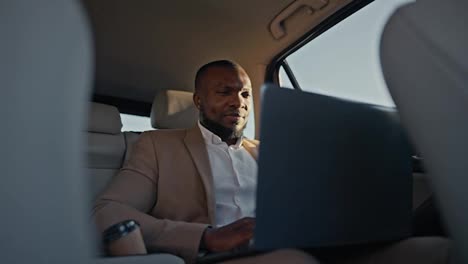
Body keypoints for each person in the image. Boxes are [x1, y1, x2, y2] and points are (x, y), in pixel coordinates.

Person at [93, 60, 450, 264]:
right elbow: (108, 211)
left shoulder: (270, 150)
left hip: (305, 247)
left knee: (432, 250)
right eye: (225, 92)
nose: (239, 101)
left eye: (246, 93)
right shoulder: (157, 145)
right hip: (218, 257)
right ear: (199, 102)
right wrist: (207, 237)